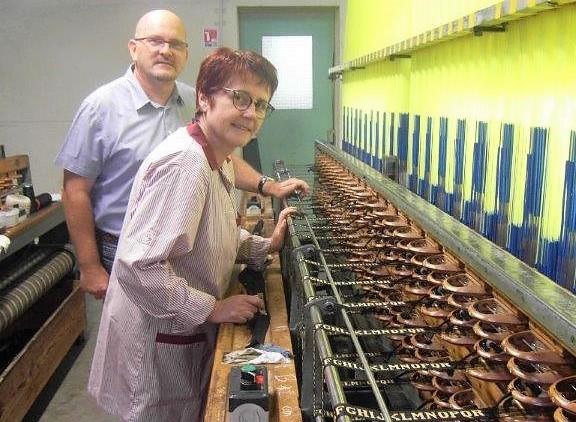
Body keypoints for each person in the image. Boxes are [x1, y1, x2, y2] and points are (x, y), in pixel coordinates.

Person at [88, 47, 293, 421]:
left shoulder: (221, 159)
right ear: (204, 98)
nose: (251, 113)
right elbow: (139, 266)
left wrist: (267, 246)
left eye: (261, 104)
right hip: (155, 344)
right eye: (240, 98)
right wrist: (212, 308)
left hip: (177, 334)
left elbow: (212, 234)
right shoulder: (186, 163)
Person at [55, 9, 308, 300]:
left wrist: (267, 186)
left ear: (186, 54)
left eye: (176, 44)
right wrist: (89, 266)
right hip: (126, 245)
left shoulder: (194, 101)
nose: (166, 50)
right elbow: (75, 190)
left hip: (187, 244)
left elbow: (223, 158)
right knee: (147, 321)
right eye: (155, 41)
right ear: (133, 48)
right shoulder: (101, 107)